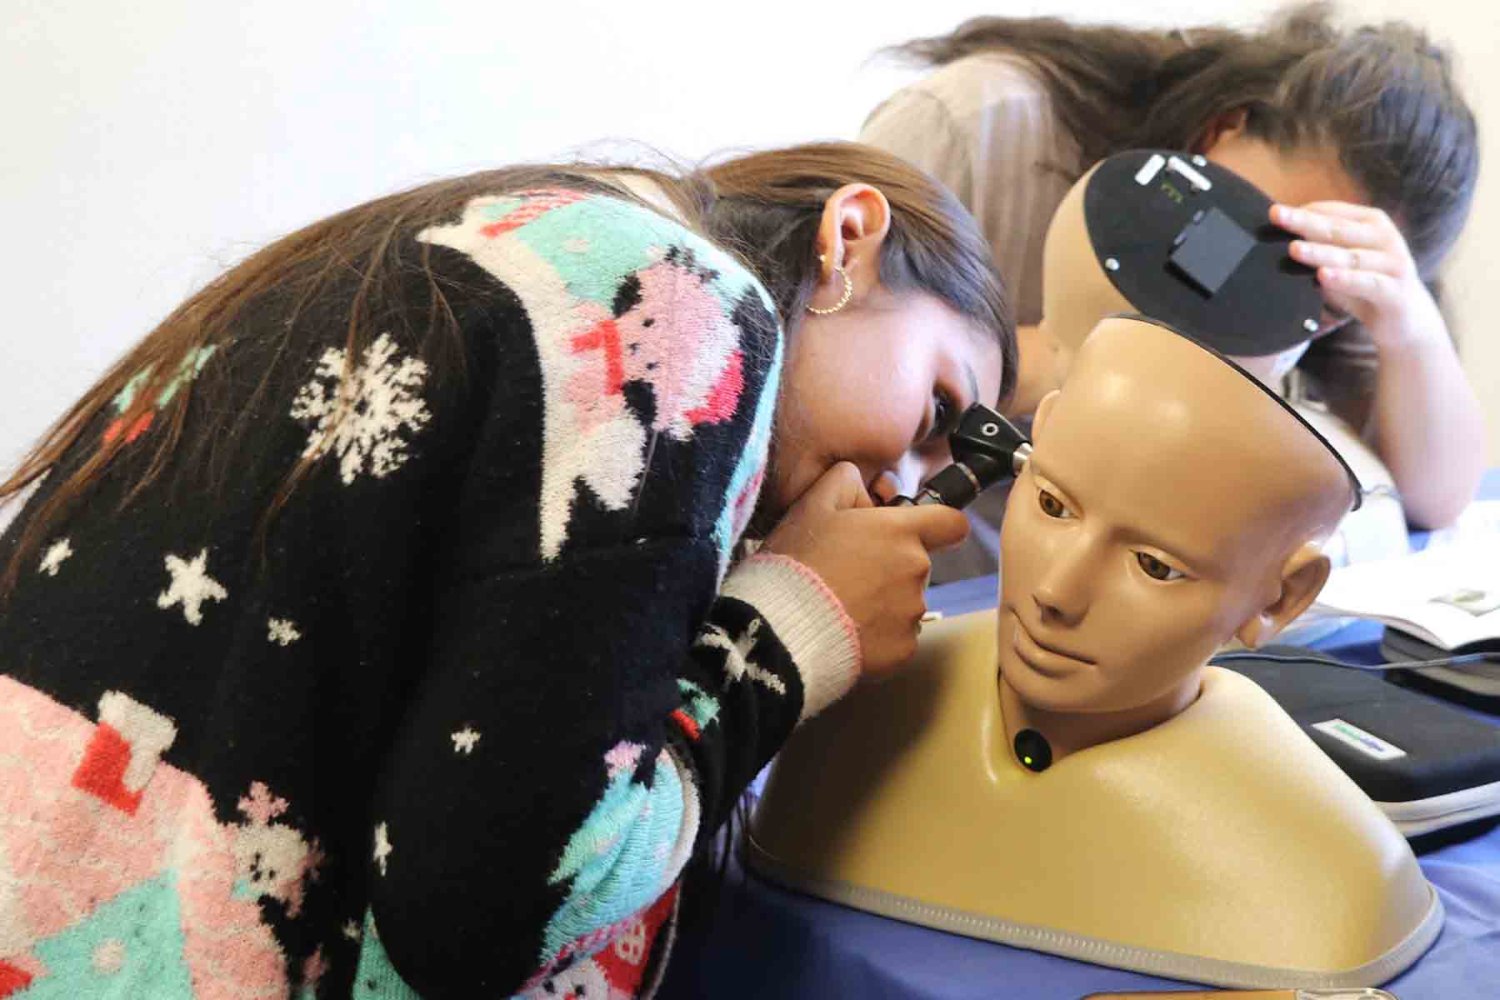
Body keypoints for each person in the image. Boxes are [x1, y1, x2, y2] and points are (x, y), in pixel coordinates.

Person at [0, 142, 1011, 998]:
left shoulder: (524, 232)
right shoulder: (683, 307)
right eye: (935, 412)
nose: (901, 485)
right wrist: (791, 630)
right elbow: (497, 902)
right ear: (848, 239)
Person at [861, 3, 1485, 579]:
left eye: (1309, 291)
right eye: (1257, 235)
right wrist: (1064, 357)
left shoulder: (1335, 302)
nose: (1250, 287)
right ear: (1220, 131)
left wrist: (1410, 327)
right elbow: (839, 375)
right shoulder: (978, 128)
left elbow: (1435, 500)